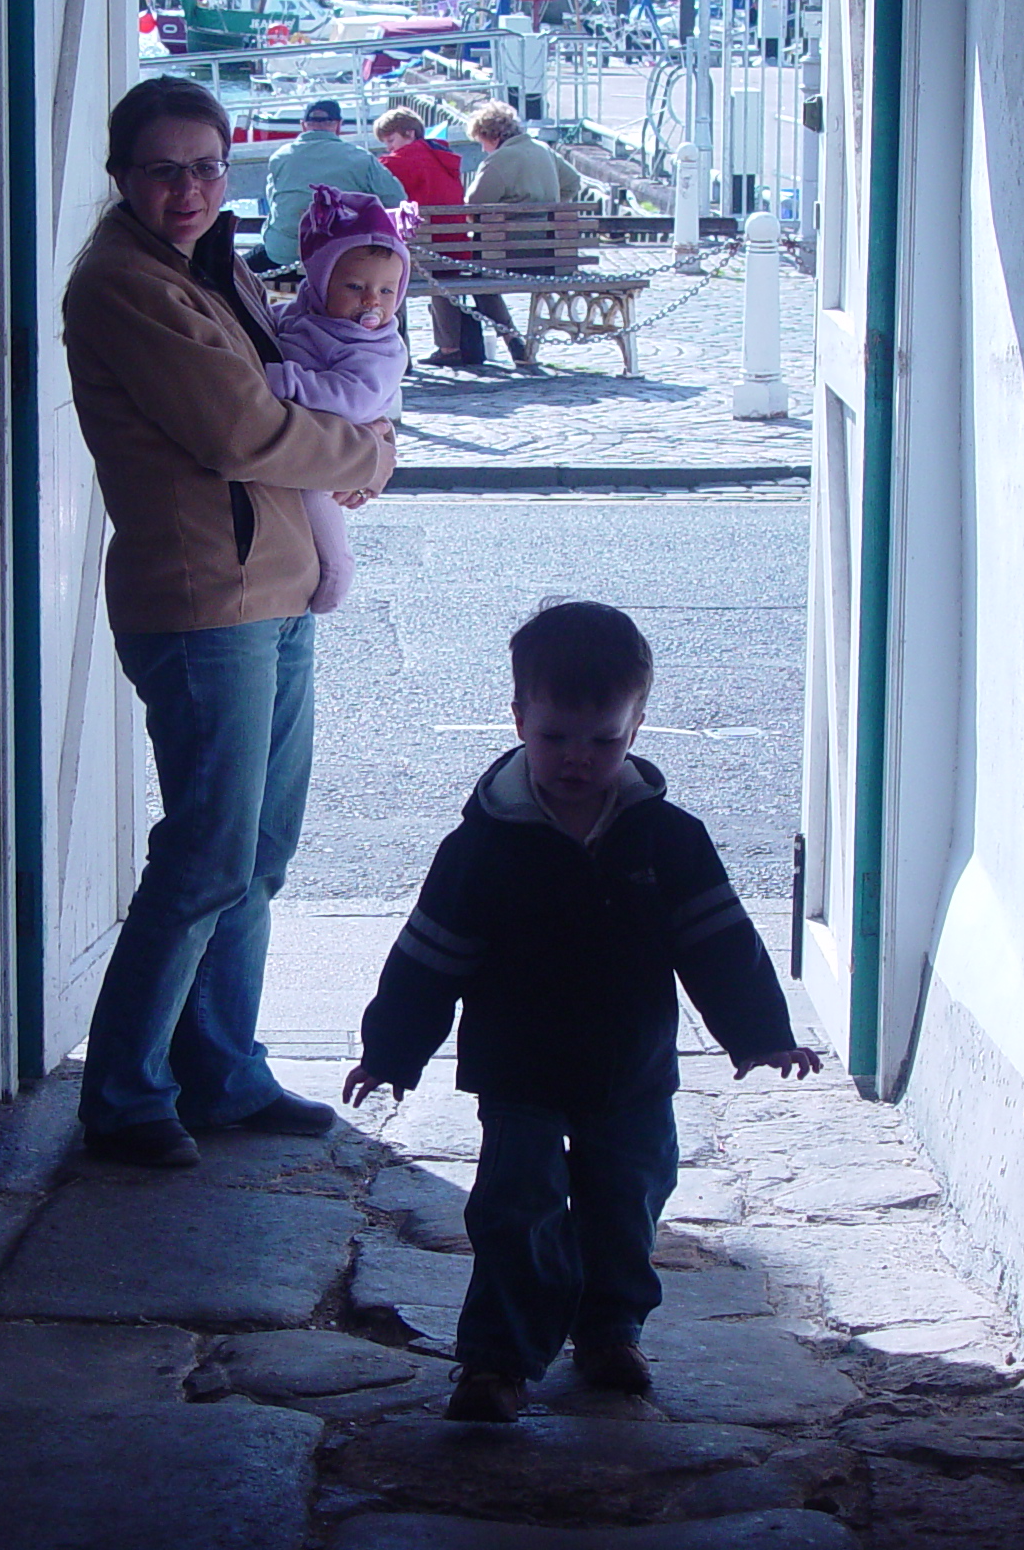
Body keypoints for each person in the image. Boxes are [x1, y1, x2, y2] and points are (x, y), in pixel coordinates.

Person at [341, 601, 822, 1421]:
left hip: (630, 1067)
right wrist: (391, 1052)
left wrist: (761, 1034)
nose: (577, 758)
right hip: (518, 1066)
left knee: (628, 1198)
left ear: (637, 725)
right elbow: (429, 956)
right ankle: (497, 1360)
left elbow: (717, 941)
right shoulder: (482, 847)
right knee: (514, 1207)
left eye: (604, 740)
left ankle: (610, 1329)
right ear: (520, 717)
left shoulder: (667, 838)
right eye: (557, 736)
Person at [61, 76, 397, 1170]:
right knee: (205, 853)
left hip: (275, 591)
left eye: (206, 166)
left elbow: (302, 375)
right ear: (122, 177)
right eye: (164, 169)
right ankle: (122, 1094)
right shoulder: (123, 284)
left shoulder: (212, 266)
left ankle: (222, 1073)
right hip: (205, 603)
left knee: (256, 852)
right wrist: (370, 456)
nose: (189, 188)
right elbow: (244, 432)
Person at [264, 186, 412, 615]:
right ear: (321, 282)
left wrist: (289, 381)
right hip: (309, 437)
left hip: (336, 442)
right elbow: (280, 326)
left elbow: (353, 400)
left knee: (315, 498)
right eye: (355, 285)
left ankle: (337, 568)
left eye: (387, 291)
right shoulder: (308, 312)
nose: (372, 301)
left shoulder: (377, 346)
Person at [374, 105, 525, 371]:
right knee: (444, 277)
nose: (389, 149)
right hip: (455, 252)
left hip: (422, 255)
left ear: (409, 134)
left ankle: (405, 356)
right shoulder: (445, 158)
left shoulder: (398, 162)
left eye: (391, 141)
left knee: (390, 274)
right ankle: (476, 344)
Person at [460, 100, 587, 372]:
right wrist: (551, 209)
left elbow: (474, 204)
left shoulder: (499, 159)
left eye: (482, 141)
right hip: (551, 253)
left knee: (476, 277)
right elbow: (573, 182)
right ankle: (515, 341)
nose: (482, 148)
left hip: (508, 254)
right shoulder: (543, 150)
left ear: (493, 136)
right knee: (482, 270)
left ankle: (512, 339)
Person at [247, 98, 405, 272]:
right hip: (343, 258)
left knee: (236, 268)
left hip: (284, 255)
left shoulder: (280, 158)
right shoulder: (362, 159)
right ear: (338, 125)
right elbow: (397, 200)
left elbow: (274, 204)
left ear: (303, 125)